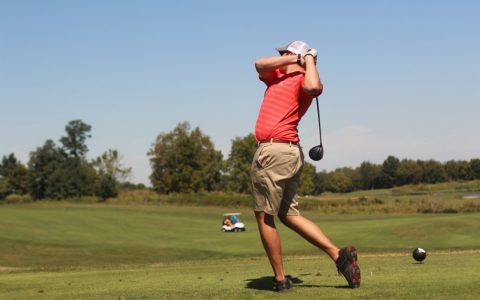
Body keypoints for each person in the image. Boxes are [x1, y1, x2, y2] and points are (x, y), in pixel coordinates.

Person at [250, 41, 361, 292]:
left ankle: (280, 280)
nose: (281, 58)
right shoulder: (276, 77)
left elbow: (314, 87)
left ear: (298, 58)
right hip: (286, 153)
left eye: (286, 53)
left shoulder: (302, 79)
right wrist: (295, 59)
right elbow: (259, 63)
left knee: (264, 215)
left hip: (274, 151)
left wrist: (307, 60)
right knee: (288, 214)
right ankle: (339, 255)